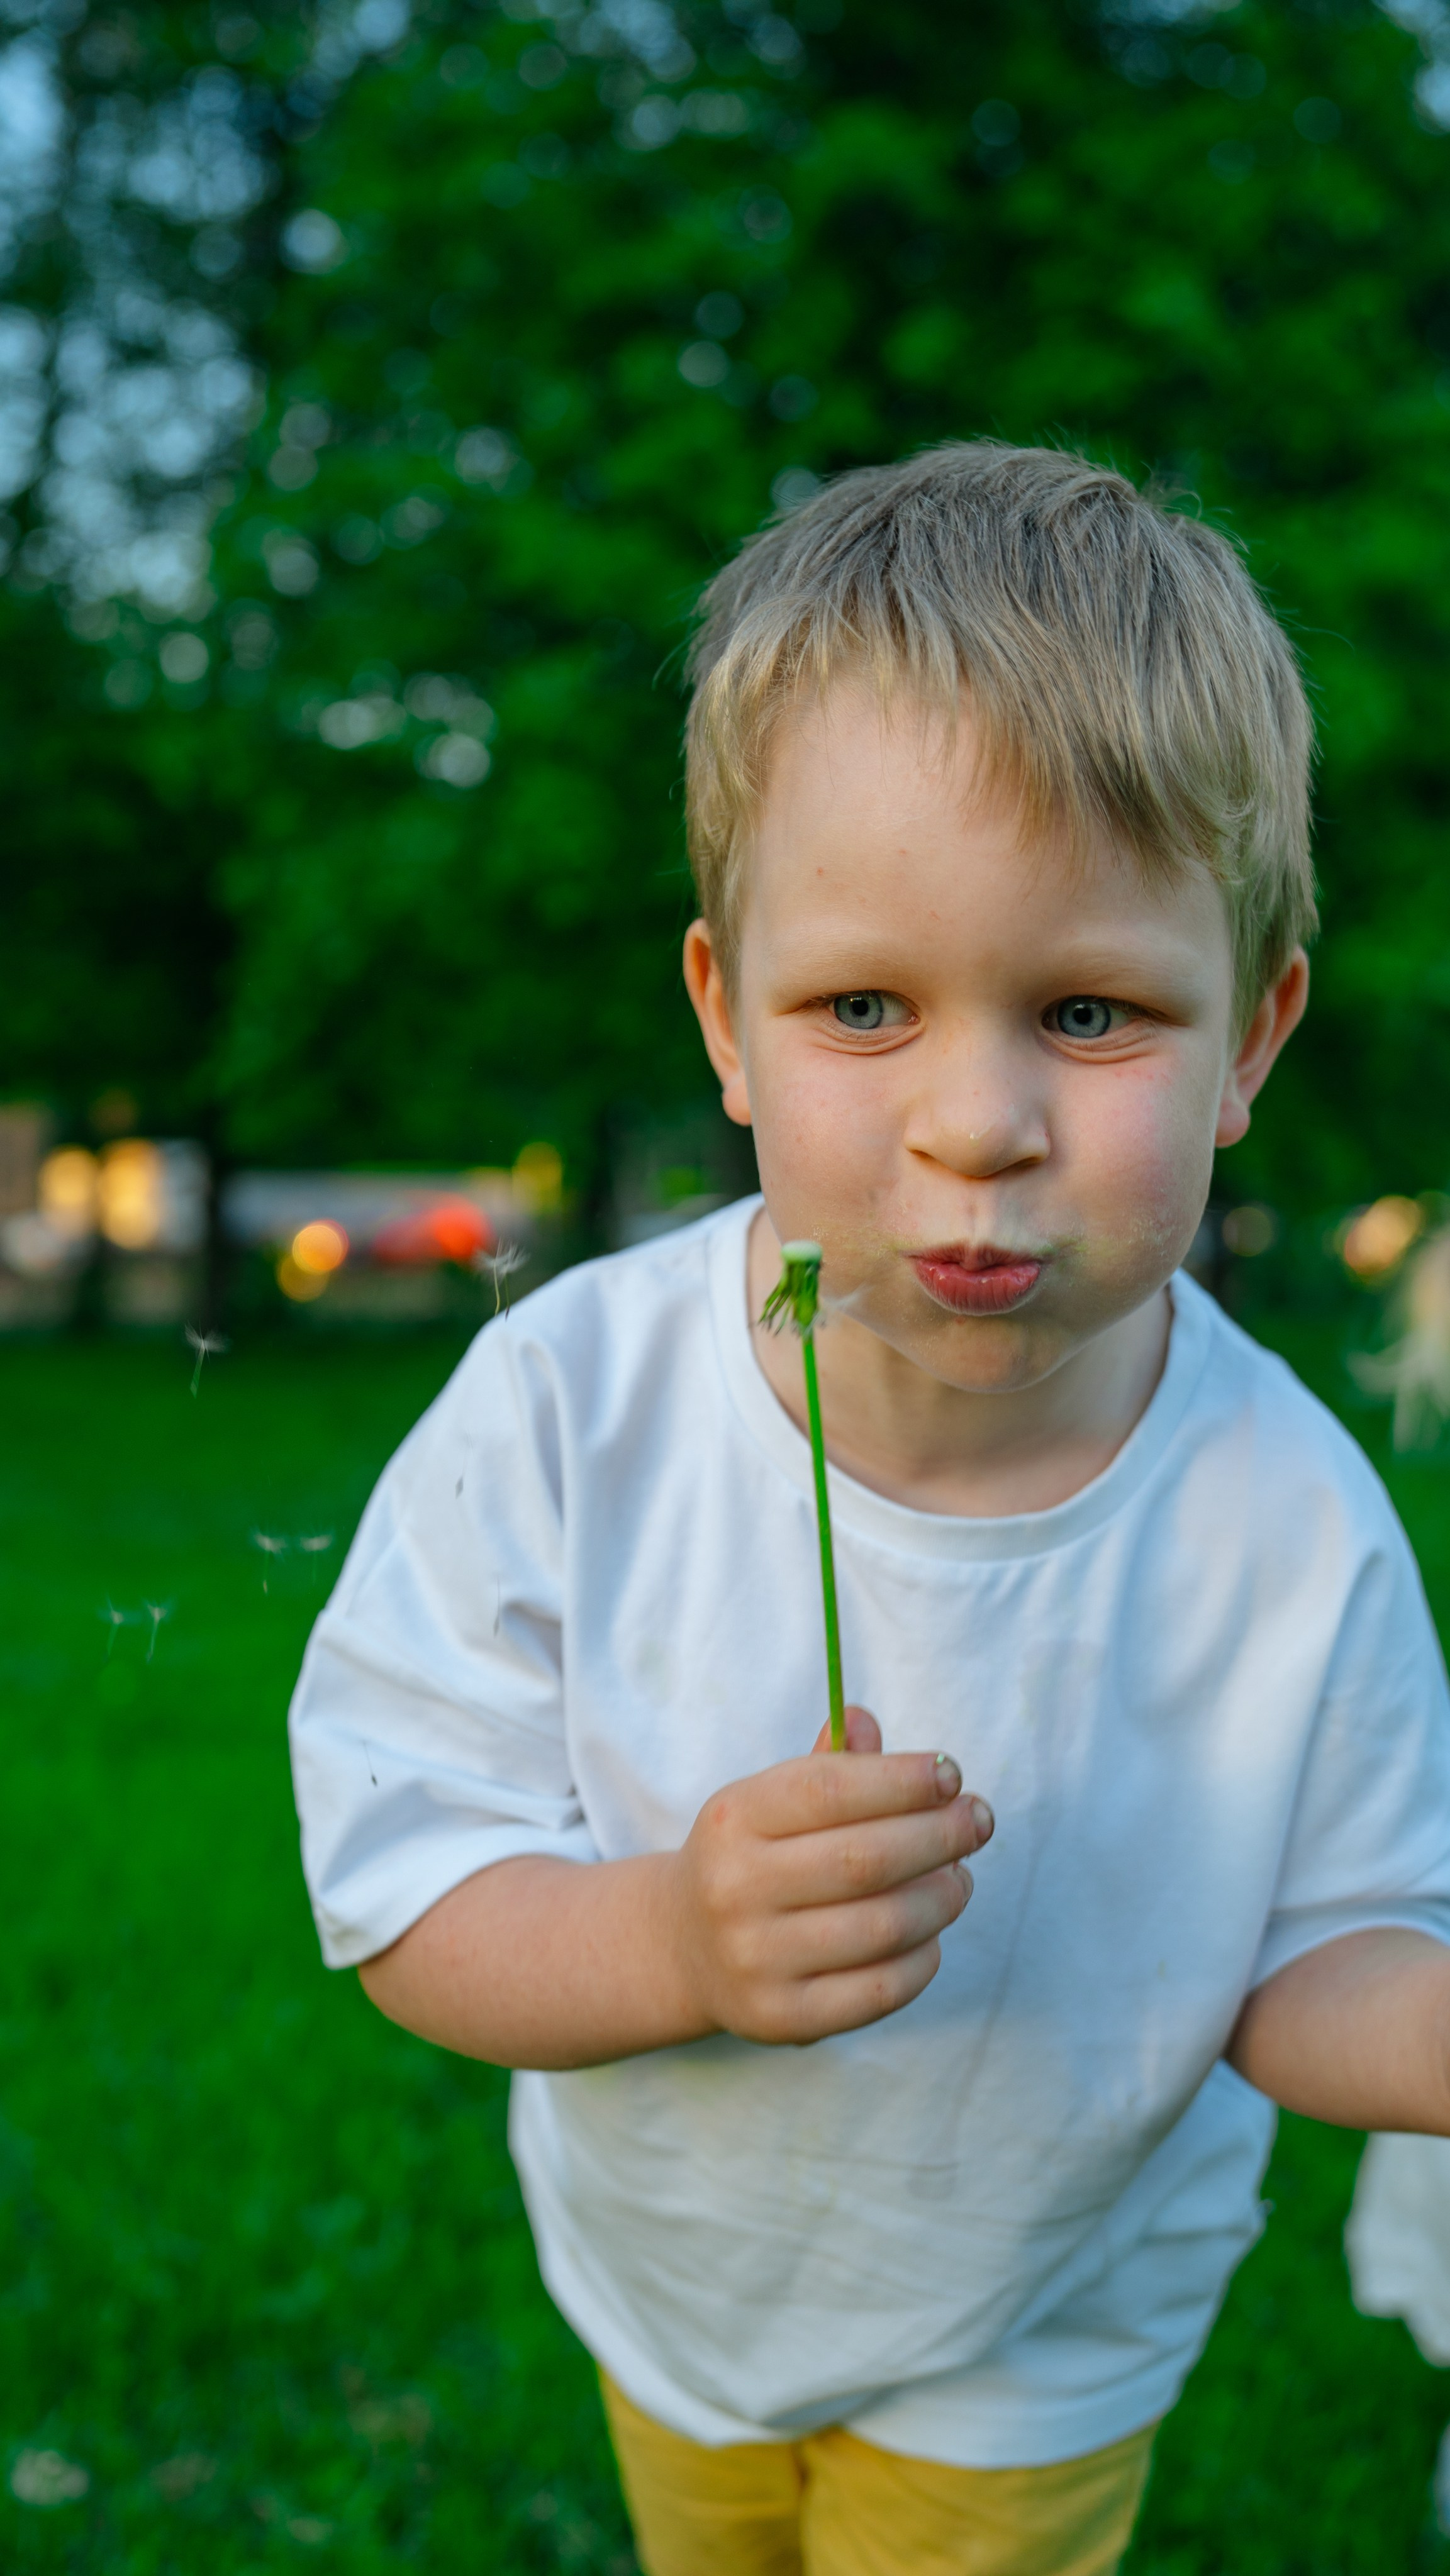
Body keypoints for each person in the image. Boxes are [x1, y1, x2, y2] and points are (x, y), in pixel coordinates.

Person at [288, 443, 1450, 2576]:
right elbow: (400, 1880)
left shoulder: (1284, 1519)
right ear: (728, 1018)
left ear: (1251, 1038)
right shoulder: (565, 1404)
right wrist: (672, 1933)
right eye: (863, 1009)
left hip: (1043, 2317)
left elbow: (1312, 1962)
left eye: (1090, 1013)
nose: (977, 1124)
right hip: (672, 2287)